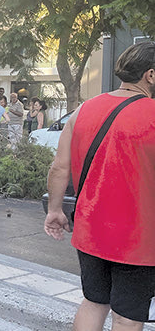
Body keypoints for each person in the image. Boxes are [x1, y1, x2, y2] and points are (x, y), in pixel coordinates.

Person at [44, 41, 155, 330]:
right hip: (139, 238)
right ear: (150, 75)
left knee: (94, 302)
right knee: (127, 317)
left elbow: (59, 167)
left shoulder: (83, 110)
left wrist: (54, 210)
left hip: (90, 229)